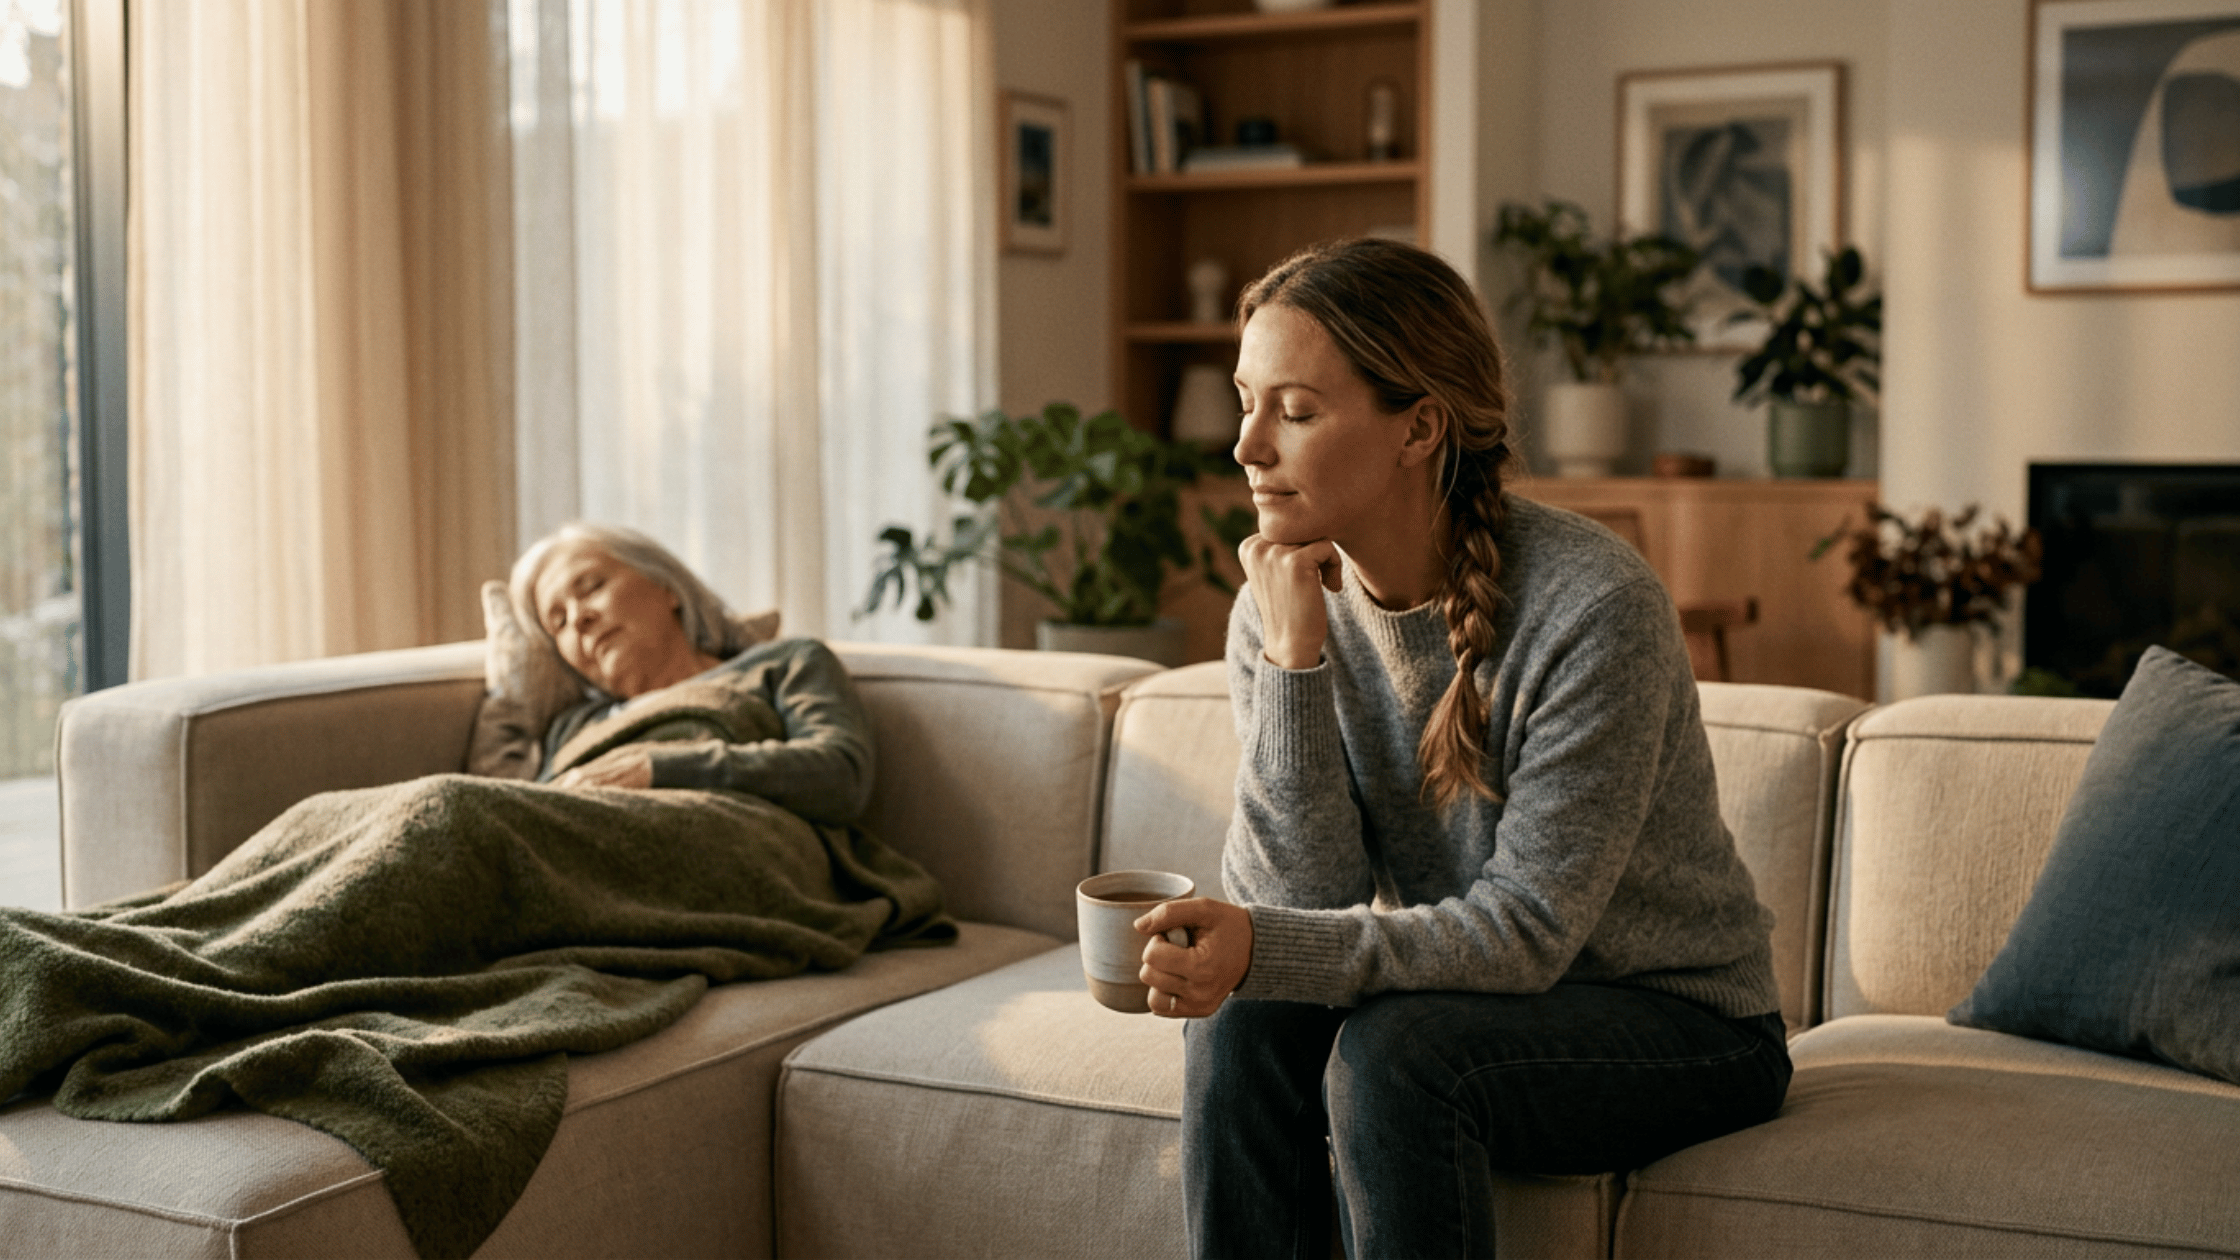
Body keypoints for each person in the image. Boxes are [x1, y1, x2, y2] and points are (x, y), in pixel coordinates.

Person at [1130, 238, 1793, 1259]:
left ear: (1419, 427)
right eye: (1244, 402)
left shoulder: (1592, 606)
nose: (1246, 448)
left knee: (1396, 1058)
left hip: (1681, 1024)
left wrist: (1261, 942)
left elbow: (1524, 935)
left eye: (1294, 411)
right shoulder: (1276, 607)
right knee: (1240, 1021)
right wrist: (1293, 664)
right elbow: (1299, 909)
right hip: (1483, 1001)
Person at [508, 522, 874, 825]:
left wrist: (656, 768)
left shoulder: (782, 664)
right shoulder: (572, 728)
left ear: (667, 587)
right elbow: (527, 823)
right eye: (558, 622)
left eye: (591, 587)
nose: (578, 619)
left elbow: (842, 774)